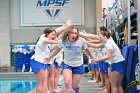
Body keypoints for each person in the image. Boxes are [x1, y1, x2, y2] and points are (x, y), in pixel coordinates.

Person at [45, 26, 94, 93]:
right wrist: (49, 57)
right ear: (68, 33)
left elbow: (87, 49)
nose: (74, 35)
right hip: (67, 64)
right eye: (72, 33)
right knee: (67, 83)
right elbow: (57, 50)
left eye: (75, 33)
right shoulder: (63, 41)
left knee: (75, 86)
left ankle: (77, 90)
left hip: (78, 65)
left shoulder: (81, 41)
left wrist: (92, 57)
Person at [30, 20, 72, 93]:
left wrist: (66, 26)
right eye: (52, 35)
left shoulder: (48, 39)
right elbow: (50, 41)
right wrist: (61, 42)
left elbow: (57, 31)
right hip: (37, 61)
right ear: (47, 34)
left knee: (44, 82)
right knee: (41, 83)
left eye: (54, 35)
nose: (54, 36)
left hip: (43, 62)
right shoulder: (43, 38)